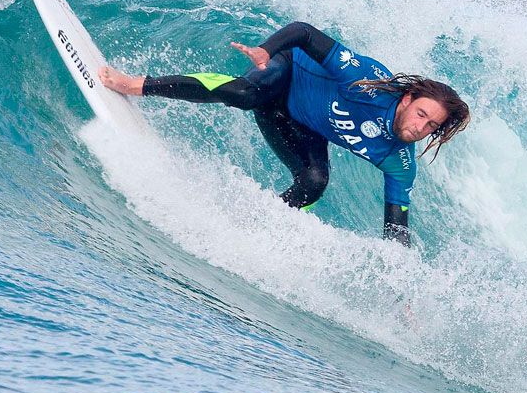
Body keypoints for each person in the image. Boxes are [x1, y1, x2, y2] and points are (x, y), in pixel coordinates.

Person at [97, 22, 470, 245]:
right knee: (246, 93)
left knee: (314, 183)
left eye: (431, 126)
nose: (420, 128)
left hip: (295, 122)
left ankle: (253, 230)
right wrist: (266, 50)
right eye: (421, 114)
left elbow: (396, 230)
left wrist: (401, 288)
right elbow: (304, 33)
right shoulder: (365, 81)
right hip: (285, 74)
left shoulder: (399, 162)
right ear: (407, 99)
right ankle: (137, 84)